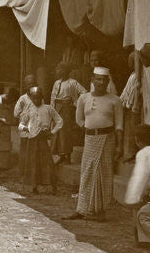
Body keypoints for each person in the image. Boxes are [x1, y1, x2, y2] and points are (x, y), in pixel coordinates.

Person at [65, 66, 123, 221]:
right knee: (87, 173)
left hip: (107, 139)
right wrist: (89, 128)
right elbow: (79, 119)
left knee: (104, 174)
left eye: (104, 80)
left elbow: (119, 125)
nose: (101, 83)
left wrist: (119, 146)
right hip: (90, 139)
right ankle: (82, 209)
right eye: (98, 79)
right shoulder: (84, 98)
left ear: (108, 82)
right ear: (92, 80)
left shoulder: (115, 100)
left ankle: (100, 211)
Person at [18, 87, 63, 195]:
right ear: (31, 98)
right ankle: (34, 187)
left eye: (38, 98)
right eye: (34, 98)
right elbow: (21, 124)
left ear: (42, 97)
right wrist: (24, 128)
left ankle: (54, 187)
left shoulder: (48, 108)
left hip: (43, 139)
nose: (36, 100)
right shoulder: (29, 110)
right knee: (33, 162)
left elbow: (59, 121)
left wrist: (52, 132)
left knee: (48, 162)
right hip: (32, 139)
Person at [50, 62, 85, 164]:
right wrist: (52, 109)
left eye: (59, 69)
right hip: (56, 108)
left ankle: (68, 157)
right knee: (57, 132)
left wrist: (75, 102)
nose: (57, 71)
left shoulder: (72, 82)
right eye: (57, 69)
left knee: (65, 133)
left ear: (65, 71)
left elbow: (84, 92)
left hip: (66, 109)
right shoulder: (56, 83)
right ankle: (61, 156)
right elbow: (53, 96)